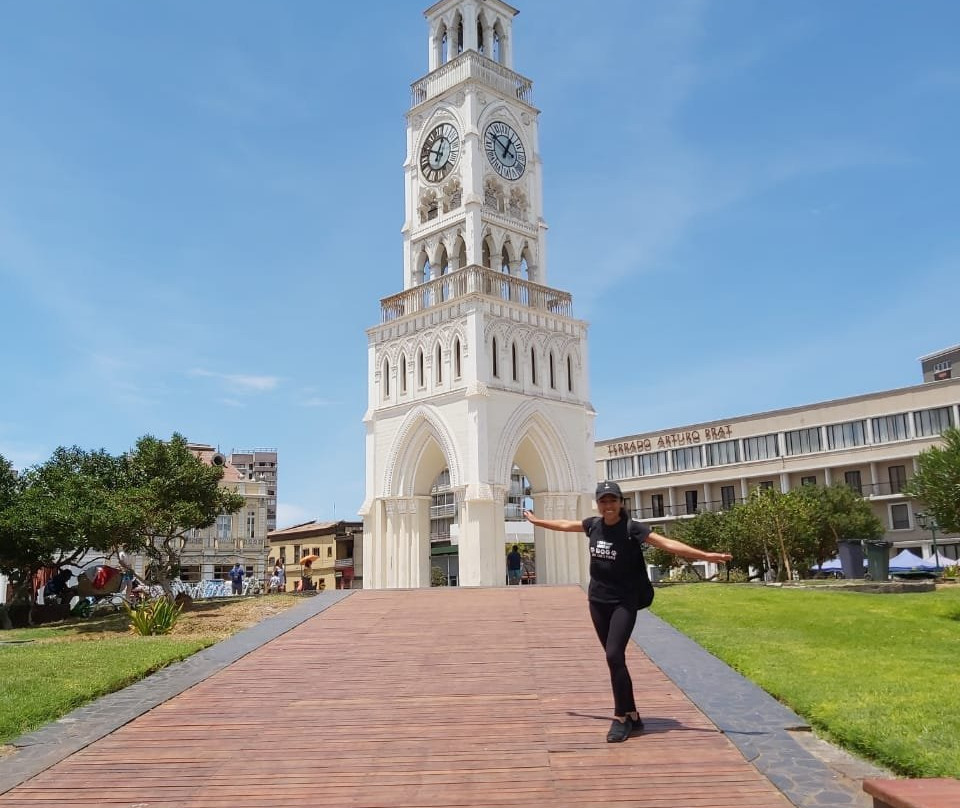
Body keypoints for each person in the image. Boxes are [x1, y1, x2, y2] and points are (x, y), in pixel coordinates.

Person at [524, 480, 733, 743]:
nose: (608, 505)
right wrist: (537, 522)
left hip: (624, 601)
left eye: (613, 500)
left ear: (621, 502)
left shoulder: (632, 529)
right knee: (615, 659)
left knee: (614, 654)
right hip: (597, 601)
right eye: (603, 501)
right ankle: (632, 714)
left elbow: (666, 544)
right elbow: (567, 525)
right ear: (598, 504)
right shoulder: (593, 525)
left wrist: (707, 556)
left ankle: (620, 717)